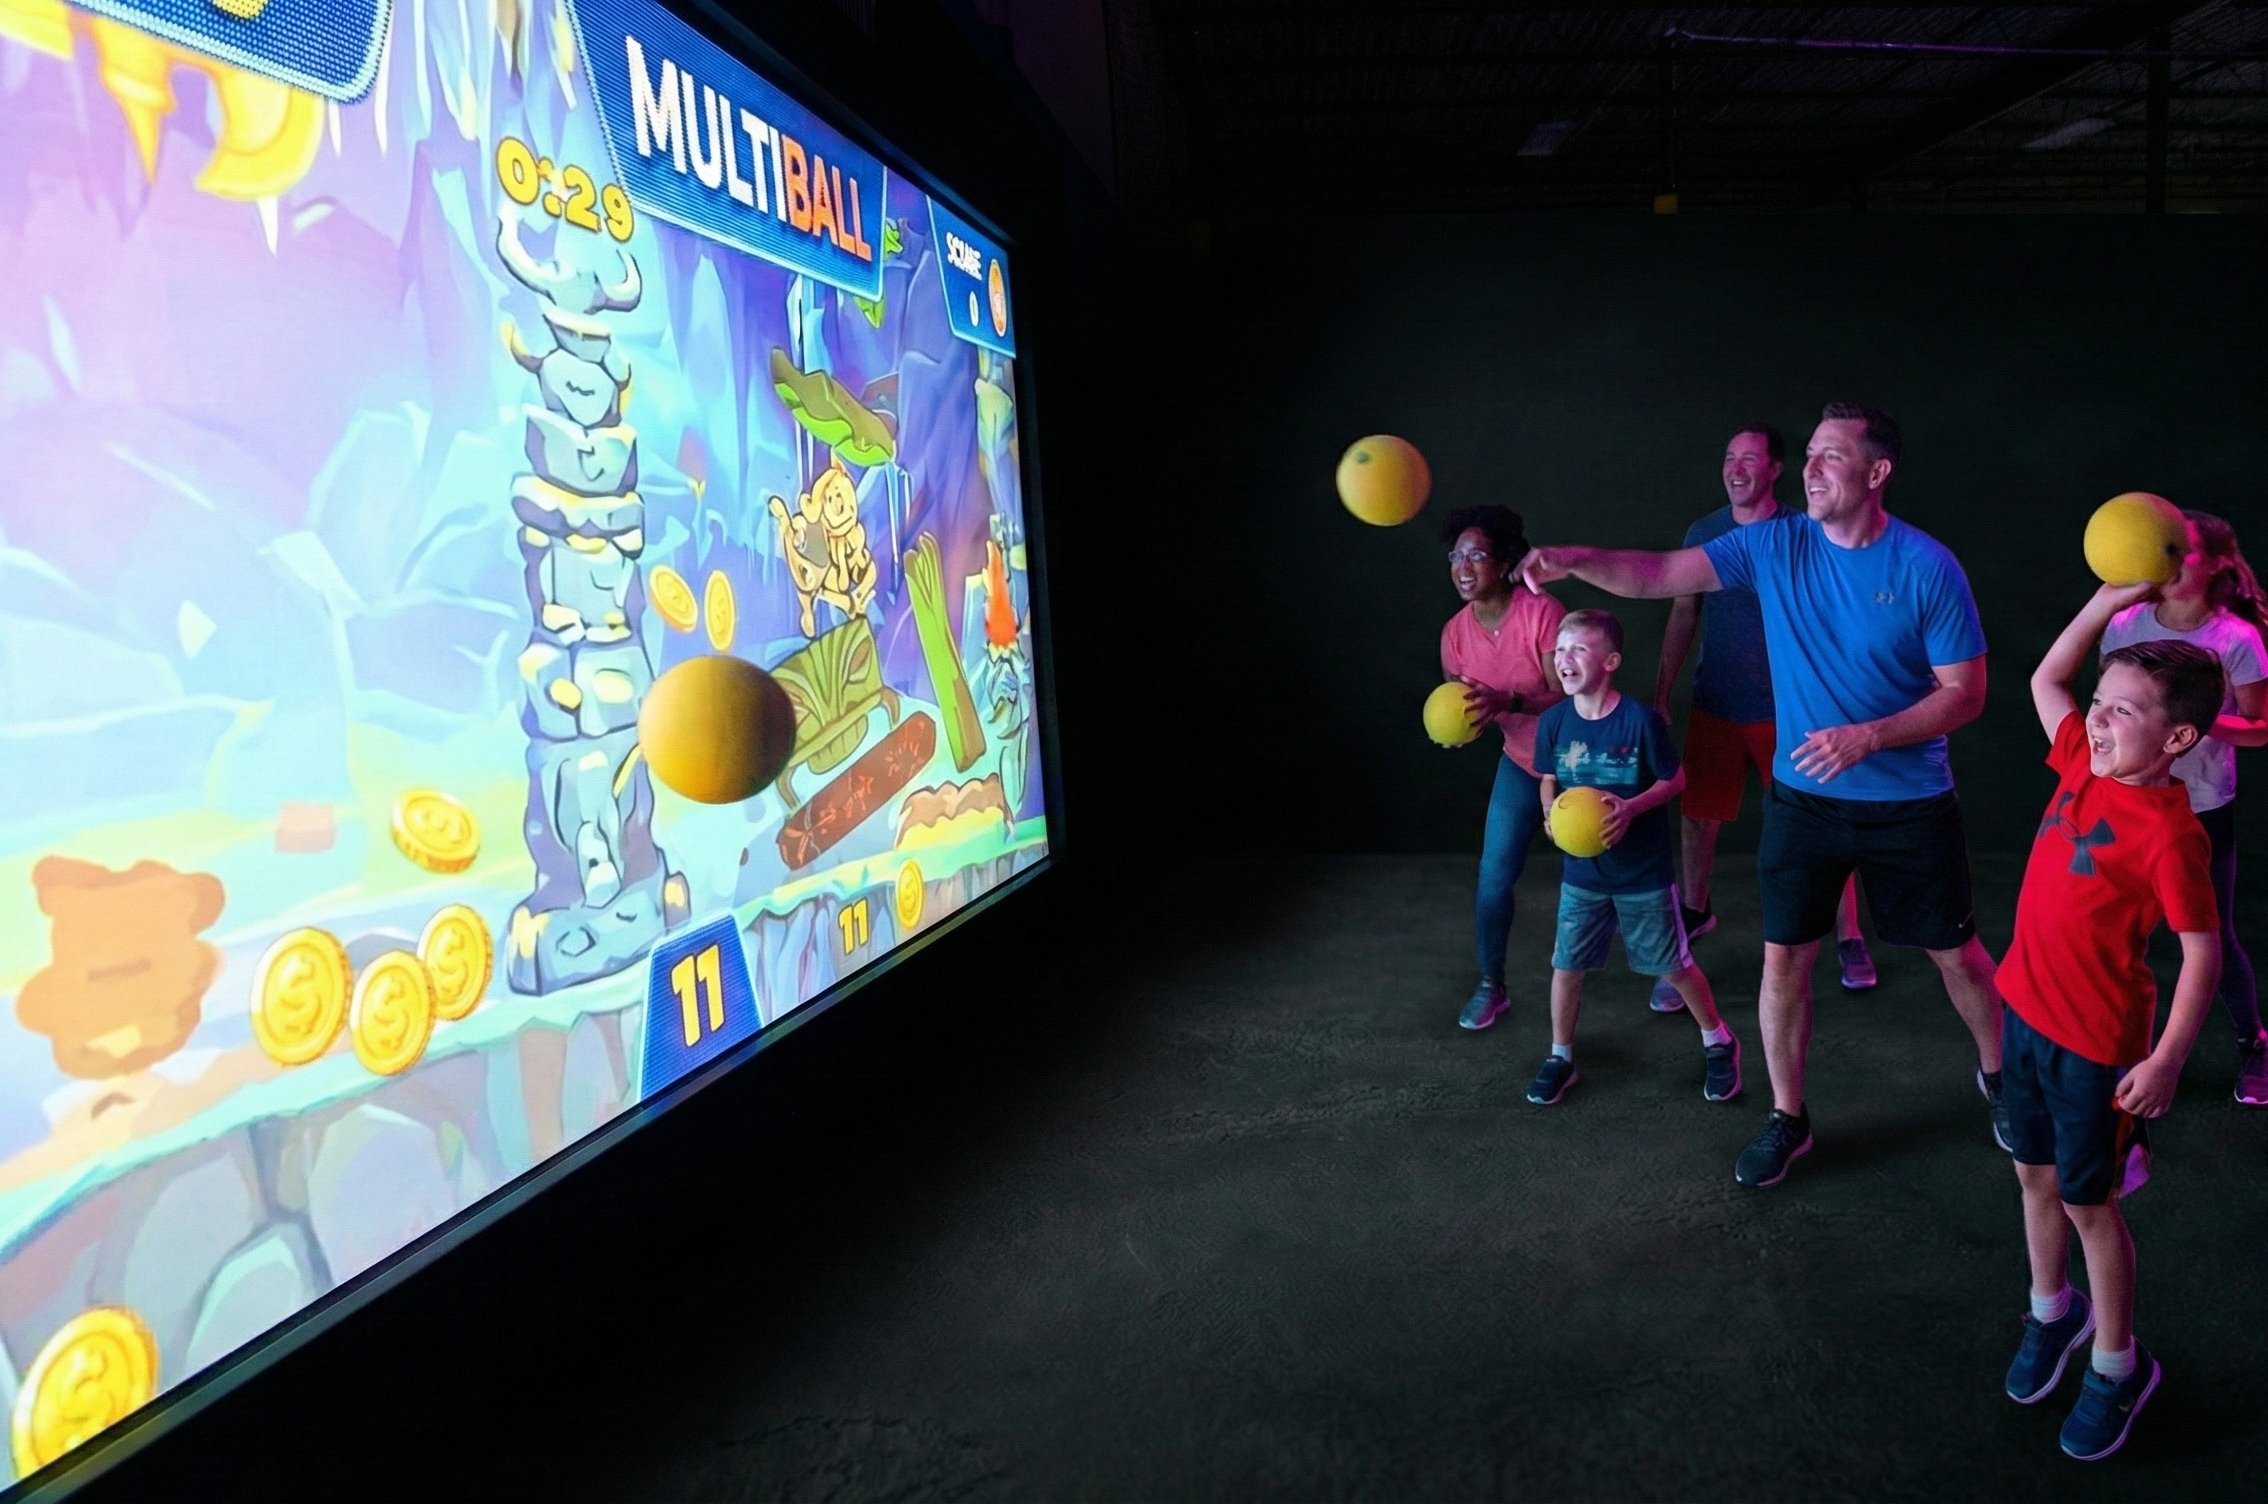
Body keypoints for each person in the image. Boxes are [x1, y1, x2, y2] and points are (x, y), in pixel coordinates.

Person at [1520, 403, 2007, 1188]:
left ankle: (2001, 1079)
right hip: (1805, 802)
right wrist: (1574, 557)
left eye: (1831, 457)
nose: (1810, 470)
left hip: (1908, 803)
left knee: (1956, 956)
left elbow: (1967, 692)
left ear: (1877, 473)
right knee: (1786, 961)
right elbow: (1656, 574)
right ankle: (1789, 1118)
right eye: (1808, 455)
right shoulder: (1772, 545)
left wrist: (1871, 735)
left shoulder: (1926, 566)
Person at [2001, 593, 2222, 1462]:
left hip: (2096, 1048)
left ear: (2175, 741)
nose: (2095, 721)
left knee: (2088, 1203)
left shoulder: (2172, 835)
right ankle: (2052, 1313)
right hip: (2023, 1016)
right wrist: (2105, 602)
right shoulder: (2080, 762)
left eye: (2121, 713)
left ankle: (2117, 1365)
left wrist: (2167, 1059)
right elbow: (2046, 677)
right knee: (2032, 1175)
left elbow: (2200, 957)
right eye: (2099, 705)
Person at [1652, 424, 1874, 1013]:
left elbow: (1841, 613)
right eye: (1729, 458)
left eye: (1750, 459)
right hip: (1716, 706)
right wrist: (1662, 691)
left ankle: (1849, 936)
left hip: (1793, 713)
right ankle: (1693, 919)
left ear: (1776, 469)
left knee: (1824, 824)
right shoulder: (1705, 533)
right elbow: (1681, 615)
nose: (1736, 468)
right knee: (1698, 821)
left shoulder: (1803, 533)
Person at [1528, 610, 1742, 1106]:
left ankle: (1718, 1041)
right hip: (1581, 875)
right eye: (1560, 650)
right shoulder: (1554, 722)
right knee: (1566, 965)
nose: (1565, 659)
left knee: (1673, 966)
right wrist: (1550, 813)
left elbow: (1676, 780)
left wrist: (1630, 808)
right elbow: (1547, 777)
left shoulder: (1639, 721)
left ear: (1611, 661)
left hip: (1642, 876)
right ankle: (1560, 1057)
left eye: (1579, 649)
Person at [2098, 511, 2268, 1105]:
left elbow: (2262, 726)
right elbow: (2110, 712)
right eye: (2161, 547)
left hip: (2199, 809)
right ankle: (2116, 1055)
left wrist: (2194, 723)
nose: (2167, 560)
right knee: (2119, 932)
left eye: (2183, 551)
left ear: (2217, 565)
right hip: (2128, 806)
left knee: (2209, 937)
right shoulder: (2121, 625)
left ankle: (2254, 1043)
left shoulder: (2235, 640)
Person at [1438, 505, 1567, 1030]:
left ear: (1505, 561)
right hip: (1520, 764)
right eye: (1456, 556)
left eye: (1477, 555)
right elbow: (1466, 704)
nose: (1463, 567)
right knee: (1492, 881)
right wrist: (1459, 727)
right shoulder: (1454, 635)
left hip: (1580, 760)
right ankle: (1492, 985)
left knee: (1623, 880)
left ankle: (1668, 971)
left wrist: (1507, 699)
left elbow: (1569, 698)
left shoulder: (1542, 612)